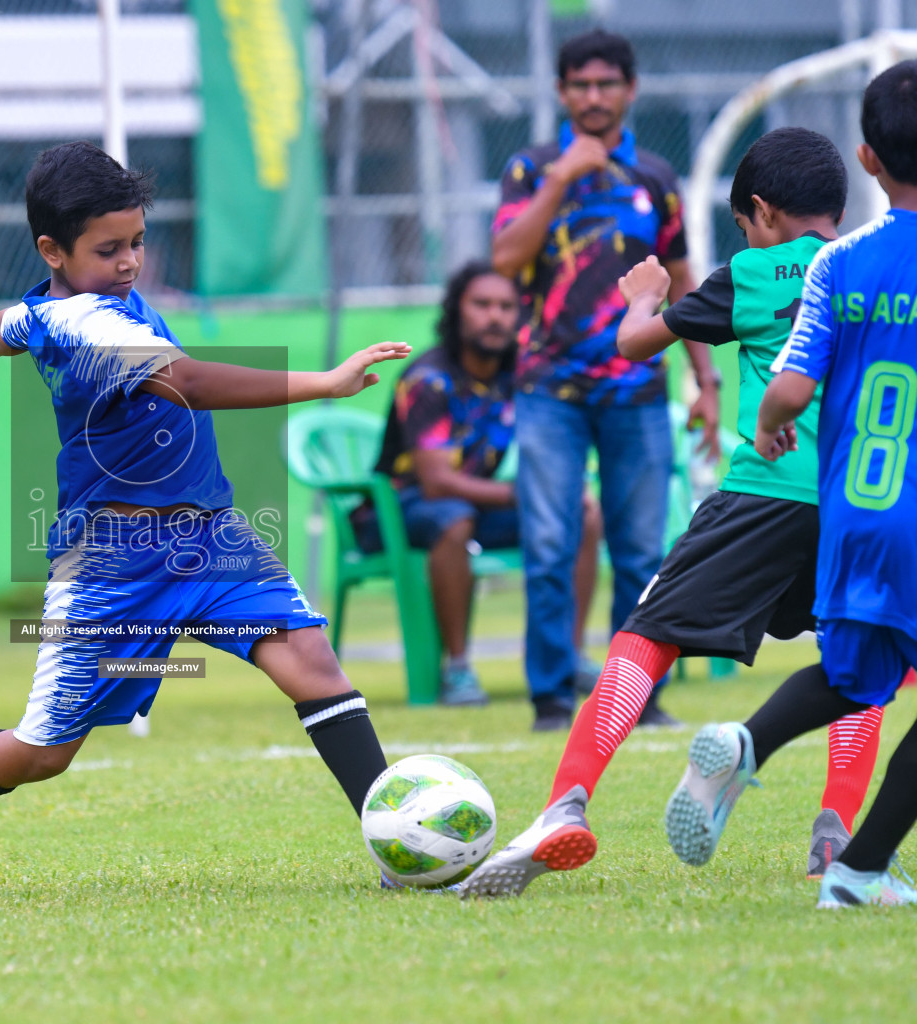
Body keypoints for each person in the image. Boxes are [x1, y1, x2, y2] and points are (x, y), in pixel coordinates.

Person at [0, 141, 414, 900]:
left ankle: (397, 849)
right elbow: (190, 381)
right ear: (53, 250)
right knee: (42, 753)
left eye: (138, 241)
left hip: (209, 539)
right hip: (111, 564)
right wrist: (325, 383)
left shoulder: (56, 307)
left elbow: (3, 326)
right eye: (109, 249)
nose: (130, 261)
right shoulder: (82, 321)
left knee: (312, 665)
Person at [461, 127, 882, 898]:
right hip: (865, 501)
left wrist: (645, 297)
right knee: (863, 662)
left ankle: (566, 802)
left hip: (767, 491)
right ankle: (837, 831)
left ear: (759, 211)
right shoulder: (875, 266)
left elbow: (634, 344)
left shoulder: (749, 272)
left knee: (645, 636)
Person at [661, 62, 917, 910]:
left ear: (869, 159)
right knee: (868, 683)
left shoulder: (839, 265)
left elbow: (793, 386)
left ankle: (744, 742)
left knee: (853, 674)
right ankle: (858, 868)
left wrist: (771, 424)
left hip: (857, 515)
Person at [491, 29, 723, 731]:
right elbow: (503, 260)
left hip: (641, 394)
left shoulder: (655, 175)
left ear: (630, 90)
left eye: (607, 84)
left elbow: (683, 280)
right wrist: (564, 175)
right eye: (580, 86)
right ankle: (552, 698)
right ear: (561, 93)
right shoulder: (531, 169)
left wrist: (705, 381)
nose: (594, 97)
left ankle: (639, 699)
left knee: (643, 553)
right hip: (548, 392)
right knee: (550, 548)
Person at [352, 262, 602, 706]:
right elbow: (436, 483)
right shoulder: (427, 379)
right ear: (456, 311)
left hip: (472, 507)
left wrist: (555, 488)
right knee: (454, 519)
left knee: (582, 511)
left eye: (507, 307)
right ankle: (458, 669)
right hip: (395, 511)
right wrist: (525, 493)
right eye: (482, 304)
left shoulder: (517, 375)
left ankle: (567, 653)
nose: (495, 317)